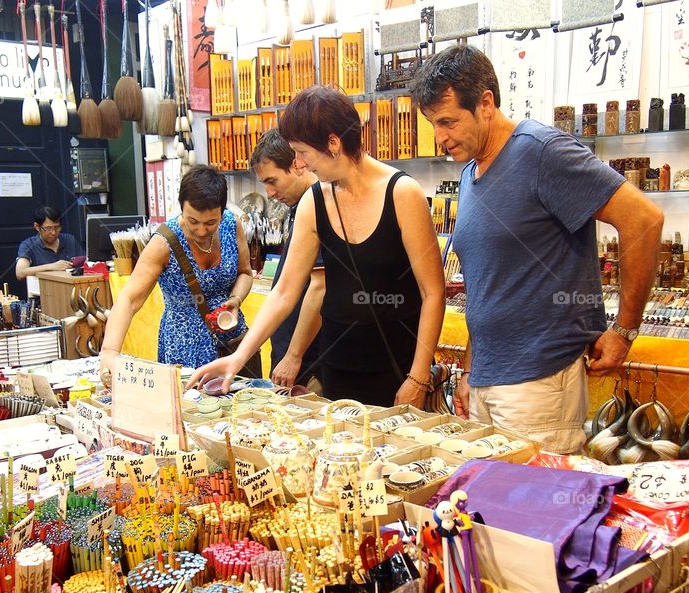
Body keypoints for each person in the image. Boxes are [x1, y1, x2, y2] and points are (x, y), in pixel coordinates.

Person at [411, 46, 663, 453]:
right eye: (433, 125)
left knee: (534, 507)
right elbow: (486, 284)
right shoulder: (470, 174)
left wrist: (625, 330)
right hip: (489, 383)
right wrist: (472, 372)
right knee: (489, 507)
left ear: (486, 103)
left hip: (539, 382)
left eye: (448, 121)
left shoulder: (541, 151)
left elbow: (644, 219)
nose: (440, 138)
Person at [187, 85, 445, 408]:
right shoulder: (315, 201)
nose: (299, 163)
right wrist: (240, 356)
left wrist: (418, 377)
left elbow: (433, 291)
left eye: (302, 152)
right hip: (337, 369)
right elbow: (284, 293)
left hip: (398, 371)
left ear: (333, 143)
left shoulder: (403, 193)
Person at [99, 165, 260, 383]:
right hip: (184, 348)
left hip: (231, 340)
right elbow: (129, 299)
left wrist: (235, 299)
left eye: (211, 222)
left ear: (222, 212)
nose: (202, 230)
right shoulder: (164, 242)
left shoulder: (232, 225)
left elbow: (245, 273)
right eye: (193, 221)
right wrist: (109, 351)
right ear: (181, 208)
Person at [250, 129, 324, 391]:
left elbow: (320, 288)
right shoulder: (299, 207)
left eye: (273, 181)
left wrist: (294, 355)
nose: (269, 193)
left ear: (297, 164)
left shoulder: (319, 205)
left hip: (310, 361)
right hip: (292, 356)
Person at [15, 206, 83, 280]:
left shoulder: (69, 240)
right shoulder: (28, 245)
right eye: (48, 228)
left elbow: (86, 262)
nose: (53, 232)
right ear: (37, 227)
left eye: (57, 227)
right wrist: (52, 266)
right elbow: (20, 273)